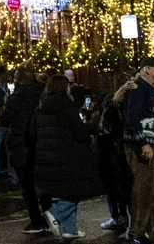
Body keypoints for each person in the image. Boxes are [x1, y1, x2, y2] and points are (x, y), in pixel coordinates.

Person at [34, 74, 102, 241]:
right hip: (67, 157)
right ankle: (55, 213)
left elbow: (32, 132)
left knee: (66, 191)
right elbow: (80, 133)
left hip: (46, 157)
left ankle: (70, 229)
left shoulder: (41, 107)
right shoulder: (68, 107)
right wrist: (90, 127)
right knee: (76, 190)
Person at [124, 57, 154, 244]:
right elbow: (131, 118)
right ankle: (138, 231)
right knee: (144, 190)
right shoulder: (138, 88)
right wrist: (143, 143)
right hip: (146, 147)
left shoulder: (151, 90)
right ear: (147, 69)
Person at [0, 66, 49, 235]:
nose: (12, 80)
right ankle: (49, 217)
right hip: (42, 143)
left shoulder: (16, 97)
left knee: (27, 186)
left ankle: (37, 221)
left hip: (21, 145)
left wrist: (6, 102)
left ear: (20, 80)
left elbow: (3, 119)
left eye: (14, 78)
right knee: (43, 182)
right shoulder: (44, 94)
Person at [97, 76, 137, 233]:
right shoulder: (114, 106)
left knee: (121, 187)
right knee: (120, 187)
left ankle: (124, 219)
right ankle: (123, 219)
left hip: (117, 151)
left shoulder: (118, 106)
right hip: (116, 151)